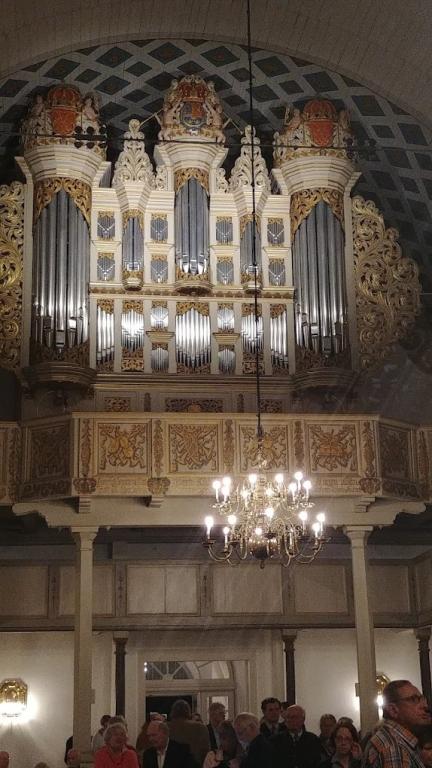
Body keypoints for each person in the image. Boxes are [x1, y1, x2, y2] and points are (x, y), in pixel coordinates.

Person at [362, 679, 431, 768]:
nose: (425, 706)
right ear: (393, 710)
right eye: (414, 699)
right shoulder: (394, 749)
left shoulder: (394, 740)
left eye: (422, 699)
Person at [272, 704, 321, 768]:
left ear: (303, 719)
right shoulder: (276, 740)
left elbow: (317, 762)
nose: (290, 720)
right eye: (288, 717)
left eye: (294, 717)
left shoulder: (313, 739)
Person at [168, 699, 210, 766]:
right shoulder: (200, 727)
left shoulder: (166, 727)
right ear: (188, 711)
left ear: (173, 712)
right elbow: (205, 751)